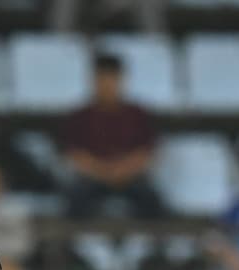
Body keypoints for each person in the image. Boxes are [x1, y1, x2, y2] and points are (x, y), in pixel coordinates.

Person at [58, 53, 164, 219]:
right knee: (74, 200)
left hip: (132, 179)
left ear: (121, 80)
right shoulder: (79, 116)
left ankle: (157, 244)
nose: (107, 85)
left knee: (153, 202)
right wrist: (102, 171)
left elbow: (146, 153)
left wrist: (122, 170)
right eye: (101, 79)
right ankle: (70, 245)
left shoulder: (138, 115)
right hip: (91, 179)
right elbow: (74, 154)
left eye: (111, 79)